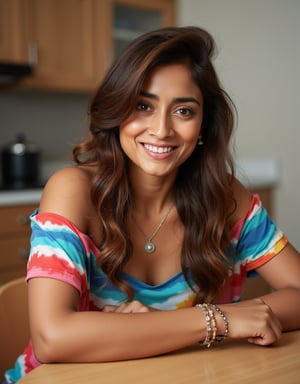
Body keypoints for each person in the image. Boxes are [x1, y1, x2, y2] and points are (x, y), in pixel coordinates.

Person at [4, 26, 300, 383]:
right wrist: (219, 320)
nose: (161, 130)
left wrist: (151, 328)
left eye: (184, 111)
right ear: (118, 110)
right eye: (143, 106)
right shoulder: (73, 191)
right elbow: (53, 339)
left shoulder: (224, 197)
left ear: (203, 123)